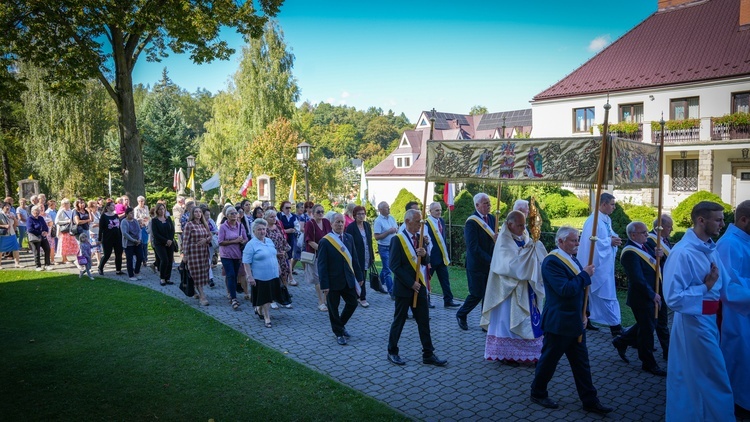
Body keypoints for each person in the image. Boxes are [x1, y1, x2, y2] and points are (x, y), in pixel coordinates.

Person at [663, 201, 735, 421]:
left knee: (697, 376)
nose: (723, 223)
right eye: (718, 219)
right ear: (701, 220)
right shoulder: (682, 253)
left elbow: (725, 284)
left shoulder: (710, 248)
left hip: (709, 321)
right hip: (693, 323)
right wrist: (705, 286)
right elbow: (673, 298)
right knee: (713, 376)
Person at [530, 226, 613, 415]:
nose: (577, 244)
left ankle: (590, 400)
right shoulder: (552, 262)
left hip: (576, 322)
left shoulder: (572, 259)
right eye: (573, 240)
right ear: (560, 242)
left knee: (582, 364)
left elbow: (581, 293)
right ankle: (537, 392)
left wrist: (586, 314)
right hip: (559, 323)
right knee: (549, 361)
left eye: (578, 240)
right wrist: (585, 275)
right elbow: (566, 290)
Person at [482, 211, 546, 364]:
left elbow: (531, 257)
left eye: (524, 224)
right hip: (507, 292)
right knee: (506, 321)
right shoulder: (503, 242)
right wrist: (529, 250)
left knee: (529, 320)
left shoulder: (524, 237)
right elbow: (511, 265)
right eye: (519, 225)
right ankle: (505, 354)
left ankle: (530, 353)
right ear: (509, 225)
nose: (523, 228)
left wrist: (534, 245)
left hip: (525, 287)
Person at [386, 209, 447, 366]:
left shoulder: (421, 239)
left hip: (419, 287)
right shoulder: (398, 240)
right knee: (399, 320)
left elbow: (426, 262)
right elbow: (394, 266)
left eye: (421, 221)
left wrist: (424, 253)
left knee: (424, 321)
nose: (421, 224)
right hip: (404, 288)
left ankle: (428, 354)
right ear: (407, 221)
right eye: (417, 221)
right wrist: (410, 283)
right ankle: (392, 351)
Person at [611, 222, 666, 376]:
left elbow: (653, 267)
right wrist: (652, 294)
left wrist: (659, 258)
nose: (647, 235)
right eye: (643, 233)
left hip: (651, 294)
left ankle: (621, 341)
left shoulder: (645, 246)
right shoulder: (630, 253)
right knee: (647, 331)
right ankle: (648, 363)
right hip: (641, 297)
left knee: (647, 325)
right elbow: (638, 279)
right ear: (633, 235)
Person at [716, 200, 750, 416]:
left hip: (744, 311)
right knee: (738, 358)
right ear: (744, 220)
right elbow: (729, 286)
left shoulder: (744, 239)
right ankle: (737, 403)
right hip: (735, 313)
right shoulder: (729, 244)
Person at [576, 192, 623, 336]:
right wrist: (609, 241)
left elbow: (607, 234)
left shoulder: (605, 219)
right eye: (612, 204)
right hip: (595, 264)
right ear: (603, 204)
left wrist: (613, 238)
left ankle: (589, 318)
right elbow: (592, 242)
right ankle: (615, 327)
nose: (614, 207)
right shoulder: (593, 221)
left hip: (605, 264)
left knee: (601, 293)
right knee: (600, 293)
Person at [318, 213, 364, 345]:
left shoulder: (349, 238)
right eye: (337, 222)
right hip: (333, 282)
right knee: (334, 308)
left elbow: (354, 259)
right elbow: (322, 265)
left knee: (353, 303)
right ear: (331, 224)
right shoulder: (325, 241)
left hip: (348, 279)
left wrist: (360, 276)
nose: (340, 224)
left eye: (342, 222)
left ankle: (340, 325)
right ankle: (338, 333)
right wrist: (324, 284)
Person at [456, 193, 496, 331]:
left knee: (488, 294)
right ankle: (461, 314)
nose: (489, 205)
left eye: (489, 202)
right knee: (476, 293)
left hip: (490, 264)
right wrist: (489, 260)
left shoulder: (492, 219)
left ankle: (485, 322)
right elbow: (473, 247)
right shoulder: (471, 222)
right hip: (476, 264)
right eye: (485, 203)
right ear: (477, 205)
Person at [243, 218, 281, 328]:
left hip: (273, 274)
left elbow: (273, 255)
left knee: (269, 297)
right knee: (265, 297)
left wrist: (278, 267)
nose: (262, 231)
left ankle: (259, 309)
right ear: (254, 231)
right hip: (260, 276)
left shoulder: (269, 241)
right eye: (259, 229)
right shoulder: (251, 245)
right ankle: (267, 317)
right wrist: (250, 277)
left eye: (264, 229)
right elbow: (246, 262)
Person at [646, 214, 672, 360]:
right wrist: (659, 258)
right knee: (660, 320)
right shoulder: (651, 240)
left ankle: (623, 340)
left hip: (665, 283)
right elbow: (651, 265)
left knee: (653, 320)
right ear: (660, 227)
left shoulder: (664, 240)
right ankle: (668, 351)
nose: (672, 229)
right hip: (655, 286)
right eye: (669, 226)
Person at [425, 202, 460, 308]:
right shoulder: (427, 223)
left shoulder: (441, 221)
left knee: (445, 280)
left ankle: (448, 301)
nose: (439, 212)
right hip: (431, 258)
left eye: (440, 210)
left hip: (442, 257)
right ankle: (426, 300)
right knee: (427, 280)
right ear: (430, 211)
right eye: (436, 210)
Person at [304, 204, 332, 312]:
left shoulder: (325, 222)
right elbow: (310, 241)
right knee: (318, 279)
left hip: (326, 254)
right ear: (313, 213)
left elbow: (330, 236)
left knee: (326, 276)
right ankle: (321, 302)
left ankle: (326, 299)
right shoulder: (309, 224)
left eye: (322, 211)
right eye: (318, 212)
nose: (320, 214)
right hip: (315, 254)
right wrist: (322, 250)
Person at [219, 207, 248, 309]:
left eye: (235, 213)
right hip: (226, 255)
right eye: (231, 213)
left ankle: (232, 294)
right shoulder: (223, 227)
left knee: (235, 276)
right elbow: (220, 241)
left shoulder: (240, 226)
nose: (234, 215)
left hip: (237, 255)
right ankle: (234, 298)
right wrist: (234, 241)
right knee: (230, 275)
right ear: (227, 216)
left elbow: (245, 239)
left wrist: (241, 241)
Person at [346, 205, 375, 307]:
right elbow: (348, 244)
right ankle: (362, 297)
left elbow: (369, 241)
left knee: (363, 275)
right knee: (359, 276)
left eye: (363, 214)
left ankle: (359, 296)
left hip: (366, 255)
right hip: (356, 256)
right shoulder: (351, 227)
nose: (361, 216)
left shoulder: (367, 225)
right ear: (354, 215)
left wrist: (372, 256)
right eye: (359, 214)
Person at [183, 206, 212, 306]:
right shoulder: (189, 225)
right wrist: (185, 255)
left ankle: (196, 290)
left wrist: (206, 240)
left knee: (202, 272)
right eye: (196, 212)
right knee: (196, 273)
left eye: (200, 212)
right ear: (192, 213)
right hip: (193, 253)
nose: (198, 213)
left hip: (203, 253)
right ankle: (202, 296)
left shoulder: (203, 224)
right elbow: (185, 241)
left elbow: (210, 236)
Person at [265, 210, 292, 309]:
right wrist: (275, 253)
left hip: (282, 255)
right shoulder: (265, 229)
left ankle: (284, 297)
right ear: (266, 218)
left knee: (284, 276)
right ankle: (272, 299)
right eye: (271, 217)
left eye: (275, 216)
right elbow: (265, 244)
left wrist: (285, 251)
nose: (274, 218)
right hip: (271, 256)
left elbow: (283, 240)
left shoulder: (278, 227)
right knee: (273, 278)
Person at [374, 201, 398, 297]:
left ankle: (378, 283)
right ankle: (392, 292)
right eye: (386, 208)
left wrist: (395, 230)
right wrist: (388, 231)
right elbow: (377, 237)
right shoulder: (378, 221)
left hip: (393, 246)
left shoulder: (392, 218)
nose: (389, 209)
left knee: (386, 267)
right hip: (384, 247)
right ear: (380, 210)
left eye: (388, 207)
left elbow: (396, 228)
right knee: (388, 269)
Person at [150, 203, 176, 286]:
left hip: (170, 243)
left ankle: (168, 278)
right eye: (160, 209)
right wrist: (165, 240)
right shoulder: (154, 221)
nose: (162, 211)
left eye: (163, 209)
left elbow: (172, 230)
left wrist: (170, 240)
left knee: (170, 260)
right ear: (157, 210)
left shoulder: (168, 219)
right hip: (159, 243)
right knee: (164, 260)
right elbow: (156, 233)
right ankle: (162, 278)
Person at [97, 201, 124, 275]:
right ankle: (100, 267)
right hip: (107, 238)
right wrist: (99, 239)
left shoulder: (115, 215)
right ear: (107, 207)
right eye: (112, 205)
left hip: (117, 238)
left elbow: (119, 227)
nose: (114, 206)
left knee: (118, 254)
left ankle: (118, 270)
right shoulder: (104, 216)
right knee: (107, 254)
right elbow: (101, 229)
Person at [121, 207, 143, 281]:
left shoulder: (135, 221)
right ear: (127, 214)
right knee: (129, 259)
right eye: (131, 213)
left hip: (137, 242)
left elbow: (139, 230)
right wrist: (133, 240)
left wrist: (139, 239)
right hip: (129, 243)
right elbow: (125, 233)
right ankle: (131, 274)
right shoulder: (124, 222)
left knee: (140, 257)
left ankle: (137, 271)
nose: (132, 214)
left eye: (133, 213)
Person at [55, 198, 78, 266]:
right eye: (67, 203)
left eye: (68, 203)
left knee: (72, 244)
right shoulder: (61, 211)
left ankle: (71, 257)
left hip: (70, 229)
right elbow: (56, 221)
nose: (68, 205)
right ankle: (64, 259)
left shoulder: (70, 210)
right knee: (64, 244)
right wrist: (66, 221)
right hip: (64, 230)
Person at [290, 201, 310, 280]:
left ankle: (291, 269)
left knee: (299, 255)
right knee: (298, 255)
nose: (302, 209)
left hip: (302, 237)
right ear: (297, 208)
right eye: (301, 207)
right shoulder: (294, 216)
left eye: (303, 207)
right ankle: (292, 269)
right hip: (296, 237)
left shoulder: (305, 216)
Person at [27, 205, 51, 271]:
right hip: (35, 237)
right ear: (32, 211)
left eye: (38, 211)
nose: (37, 212)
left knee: (47, 249)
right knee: (37, 252)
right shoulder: (30, 219)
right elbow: (30, 229)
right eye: (36, 211)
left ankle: (47, 265)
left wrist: (46, 231)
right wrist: (40, 232)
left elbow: (45, 226)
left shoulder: (41, 218)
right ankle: (38, 266)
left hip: (43, 237)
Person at [0, 202, 22, 268]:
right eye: (6, 206)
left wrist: (14, 218)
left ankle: (17, 263)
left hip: (12, 234)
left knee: (15, 248)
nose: (8, 207)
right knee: (0, 249)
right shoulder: (0, 214)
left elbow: (17, 224)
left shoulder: (12, 213)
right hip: (3, 235)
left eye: (9, 206)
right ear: (3, 207)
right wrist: (4, 226)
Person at [135, 196, 150, 267]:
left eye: (142, 201)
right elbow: (135, 218)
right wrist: (141, 219)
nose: (141, 203)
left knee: (145, 244)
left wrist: (147, 218)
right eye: (140, 201)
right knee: (141, 245)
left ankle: (145, 259)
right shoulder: (136, 209)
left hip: (146, 227)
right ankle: (143, 259)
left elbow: (148, 216)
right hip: (140, 227)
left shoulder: (146, 207)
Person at [87, 200, 102, 268]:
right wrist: (99, 224)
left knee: (95, 249)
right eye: (94, 206)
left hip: (99, 232)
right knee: (96, 248)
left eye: (97, 206)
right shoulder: (89, 214)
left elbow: (101, 222)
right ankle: (99, 262)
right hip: (93, 233)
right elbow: (91, 225)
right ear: (91, 207)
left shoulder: (98, 213)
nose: (96, 208)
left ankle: (87, 259)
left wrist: (99, 224)